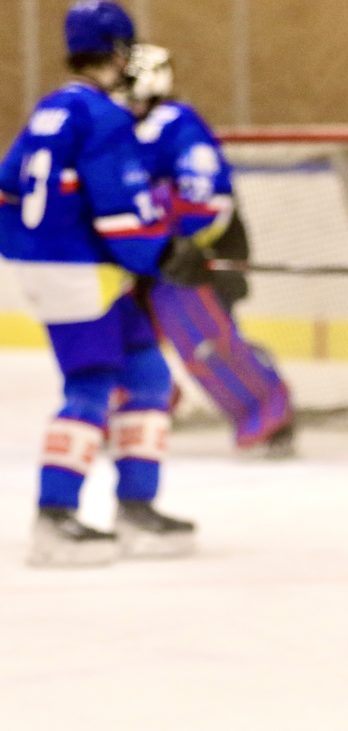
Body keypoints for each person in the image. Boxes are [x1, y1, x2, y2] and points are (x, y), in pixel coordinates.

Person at [0, 1, 208, 566]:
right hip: (82, 275)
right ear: (118, 51)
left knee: (147, 372)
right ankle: (54, 516)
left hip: (73, 269)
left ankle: (136, 506)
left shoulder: (50, 110)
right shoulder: (104, 117)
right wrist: (165, 252)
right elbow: (122, 215)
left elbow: (9, 186)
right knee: (91, 385)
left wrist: (38, 248)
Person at [119, 42, 295, 456]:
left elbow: (206, 199)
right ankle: (149, 400)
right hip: (153, 256)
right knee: (121, 331)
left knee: (205, 340)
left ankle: (269, 415)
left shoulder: (174, 123)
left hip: (196, 256)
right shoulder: (121, 128)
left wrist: (174, 242)